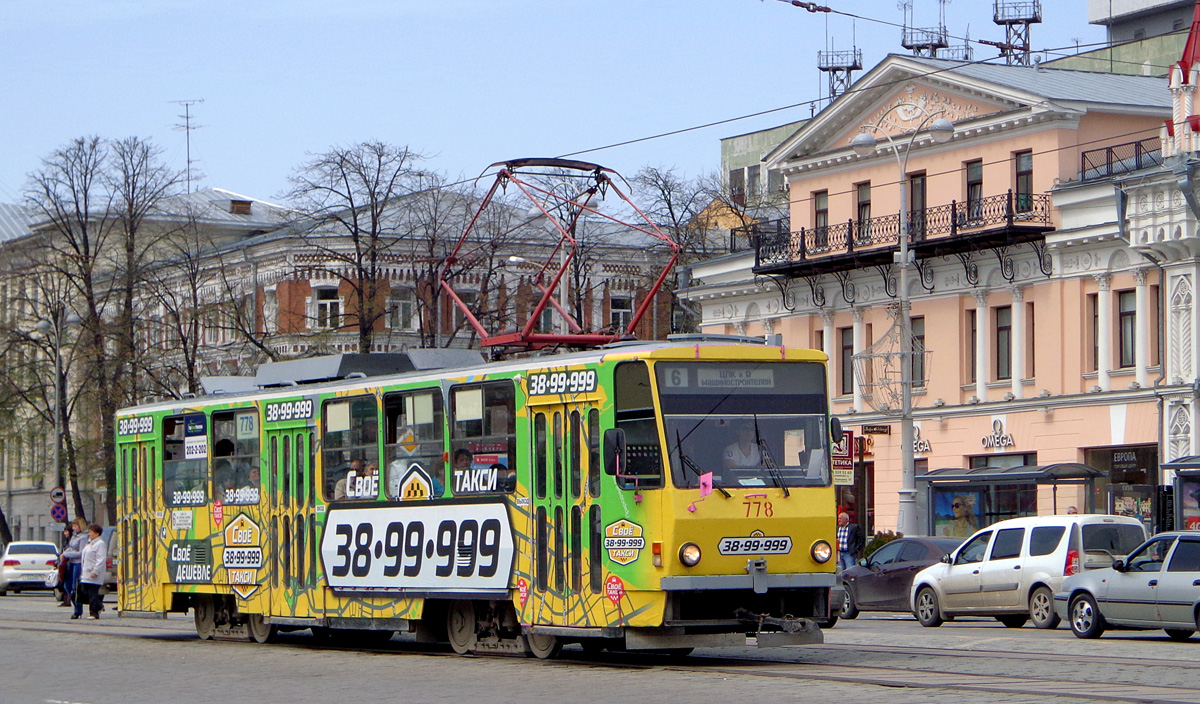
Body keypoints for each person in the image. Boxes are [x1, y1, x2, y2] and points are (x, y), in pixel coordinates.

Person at [78, 523, 107, 620]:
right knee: (84, 591)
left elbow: (101, 559)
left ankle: (94, 613)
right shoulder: (89, 543)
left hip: (94, 573)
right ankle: (99, 605)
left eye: (91, 532)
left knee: (92, 593)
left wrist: (96, 571)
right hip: (86, 573)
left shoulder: (100, 544)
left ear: (97, 533)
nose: (89, 534)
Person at [64, 517, 88, 616]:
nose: (73, 528)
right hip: (70, 563)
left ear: (80, 526)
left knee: (75, 587)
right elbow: (70, 547)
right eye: (73, 526)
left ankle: (78, 610)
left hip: (78, 563)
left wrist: (67, 554)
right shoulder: (74, 536)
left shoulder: (83, 537)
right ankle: (76, 605)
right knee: (67, 585)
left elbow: (81, 553)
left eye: (75, 526)